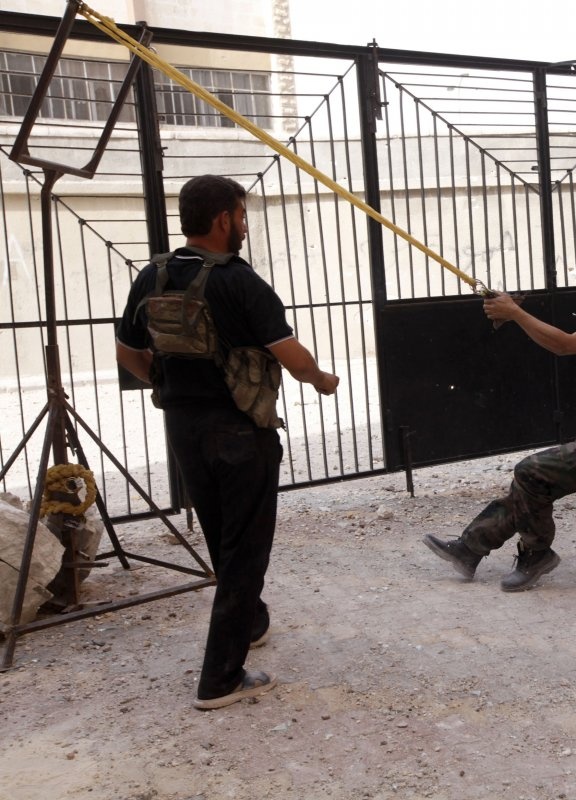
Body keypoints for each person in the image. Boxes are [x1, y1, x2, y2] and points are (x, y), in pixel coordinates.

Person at [116, 175, 339, 709]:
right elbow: (290, 355)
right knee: (246, 550)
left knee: (222, 534)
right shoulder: (240, 281)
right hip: (240, 431)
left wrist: (168, 385)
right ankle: (220, 679)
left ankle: (251, 620)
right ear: (223, 220)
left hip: (183, 428)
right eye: (240, 215)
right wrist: (320, 379)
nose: (243, 225)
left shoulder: (153, 275)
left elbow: (127, 353)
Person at [421, 266, 576, 592]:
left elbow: (564, 344)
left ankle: (536, 554)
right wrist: (515, 314)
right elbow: (557, 342)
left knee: (530, 472)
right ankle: (470, 549)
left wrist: (515, 313)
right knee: (530, 485)